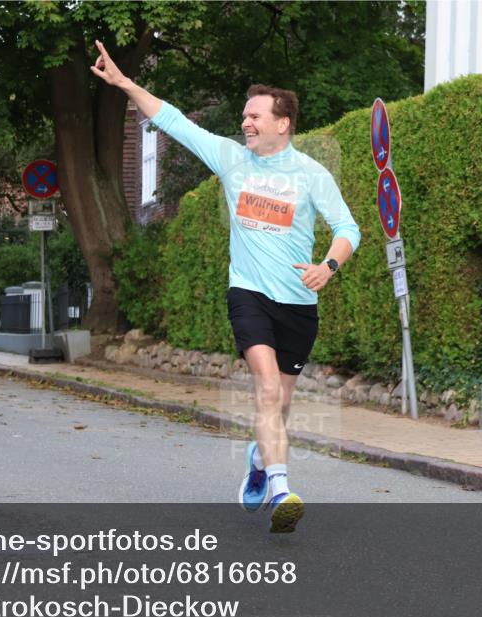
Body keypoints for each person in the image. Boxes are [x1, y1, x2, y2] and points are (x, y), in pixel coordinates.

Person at [90, 41, 361, 532]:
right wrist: (126, 83)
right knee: (265, 387)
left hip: (299, 303)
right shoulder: (232, 160)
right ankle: (281, 490)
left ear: (283, 123)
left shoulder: (311, 174)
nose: (245, 123)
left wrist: (329, 266)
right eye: (244, 116)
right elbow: (175, 121)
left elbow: (349, 229)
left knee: (281, 403)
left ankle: (259, 464)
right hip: (249, 294)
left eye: (255, 116)